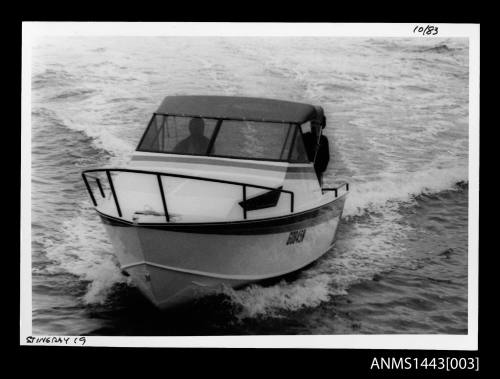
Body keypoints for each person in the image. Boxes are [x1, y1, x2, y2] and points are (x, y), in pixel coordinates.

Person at [302, 118, 330, 185]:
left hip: (317, 171)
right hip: (303, 171)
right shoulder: (305, 137)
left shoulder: (323, 140)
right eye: (312, 123)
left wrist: (319, 170)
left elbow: (326, 158)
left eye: (316, 123)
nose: (313, 125)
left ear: (322, 125)